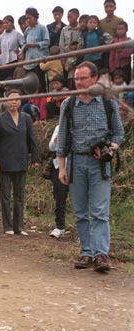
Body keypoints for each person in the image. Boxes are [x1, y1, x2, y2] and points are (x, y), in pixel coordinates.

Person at [57, 61, 124, 272]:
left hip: (99, 165)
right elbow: (62, 139)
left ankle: (101, 254)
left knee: (100, 211)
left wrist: (110, 150)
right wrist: (61, 167)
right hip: (76, 161)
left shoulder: (107, 102)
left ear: (94, 78)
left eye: (83, 78)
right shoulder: (68, 104)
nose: (79, 82)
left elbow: (119, 134)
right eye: (76, 78)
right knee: (80, 211)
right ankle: (86, 252)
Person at [0, 90, 39, 235]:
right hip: (4, 162)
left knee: (19, 196)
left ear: (20, 102)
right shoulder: (1, 119)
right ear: (6, 102)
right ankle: (7, 226)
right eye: (11, 100)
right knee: (6, 196)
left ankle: (18, 226)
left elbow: (31, 138)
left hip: (21, 161)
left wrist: (35, 158)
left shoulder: (26, 118)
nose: (14, 102)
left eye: (17, 100)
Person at [48, 124, 69, 238]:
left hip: (77, 168)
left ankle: (83, 231)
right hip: (59, 168)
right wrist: (56, 141)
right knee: (59, 198)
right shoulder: (59, 127)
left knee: (80, 200)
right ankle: (60, 227)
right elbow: (51, 147)